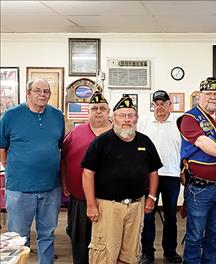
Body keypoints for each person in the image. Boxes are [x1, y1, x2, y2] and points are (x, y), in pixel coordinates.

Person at [82, 96, 162, 264]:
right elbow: (88, 173)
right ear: (113, 118)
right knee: (104, 256)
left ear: (136, 118)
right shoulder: (102, 142)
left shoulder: (145, 141)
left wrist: (152, 197)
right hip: (108, 207)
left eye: (130, 115)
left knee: (130, 254)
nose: (127, 119)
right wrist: (91, 205)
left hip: (136, 206)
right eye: (122, 115)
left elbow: (153, 172)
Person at [0, 79, 64, 264]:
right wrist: (14, 167)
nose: (42, 94)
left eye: (46, 91)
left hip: (51, 187)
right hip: (20, 189)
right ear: (28, 93)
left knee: (47, 235)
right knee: (18, 238)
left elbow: (58, 146)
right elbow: (2, 147)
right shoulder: (11, 115)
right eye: (38, 90)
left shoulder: (57, 115)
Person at [177, 77, 216, 263]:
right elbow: (203, 143)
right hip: (200, 189)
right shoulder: (189, 118)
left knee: (214, 235)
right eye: (208, 94)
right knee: (195, 235)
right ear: (199, 96)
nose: (212, 97)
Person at [61, 92, 112, 264]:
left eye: (102, 108)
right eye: (94, 108)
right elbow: (62, 159)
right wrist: (65, 183)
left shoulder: (121, 134)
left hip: (111, 202)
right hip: (81, 200)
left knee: (108, 244)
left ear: (109, 112)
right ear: (88, 112)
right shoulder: (76, 133)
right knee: (81, 242)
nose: (98, 112)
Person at [138, 90, 183, 263]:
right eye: (156, 104)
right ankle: (147, 252)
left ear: (169, 105)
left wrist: (183, 170)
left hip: (171, 175)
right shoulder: (144, 123)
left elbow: (185, 151)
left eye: (163, 103)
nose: (160, 107)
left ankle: (170, 250)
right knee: (148, 215)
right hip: (149, 177)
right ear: (153, 106)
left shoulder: (179, 124)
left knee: (171, 215)